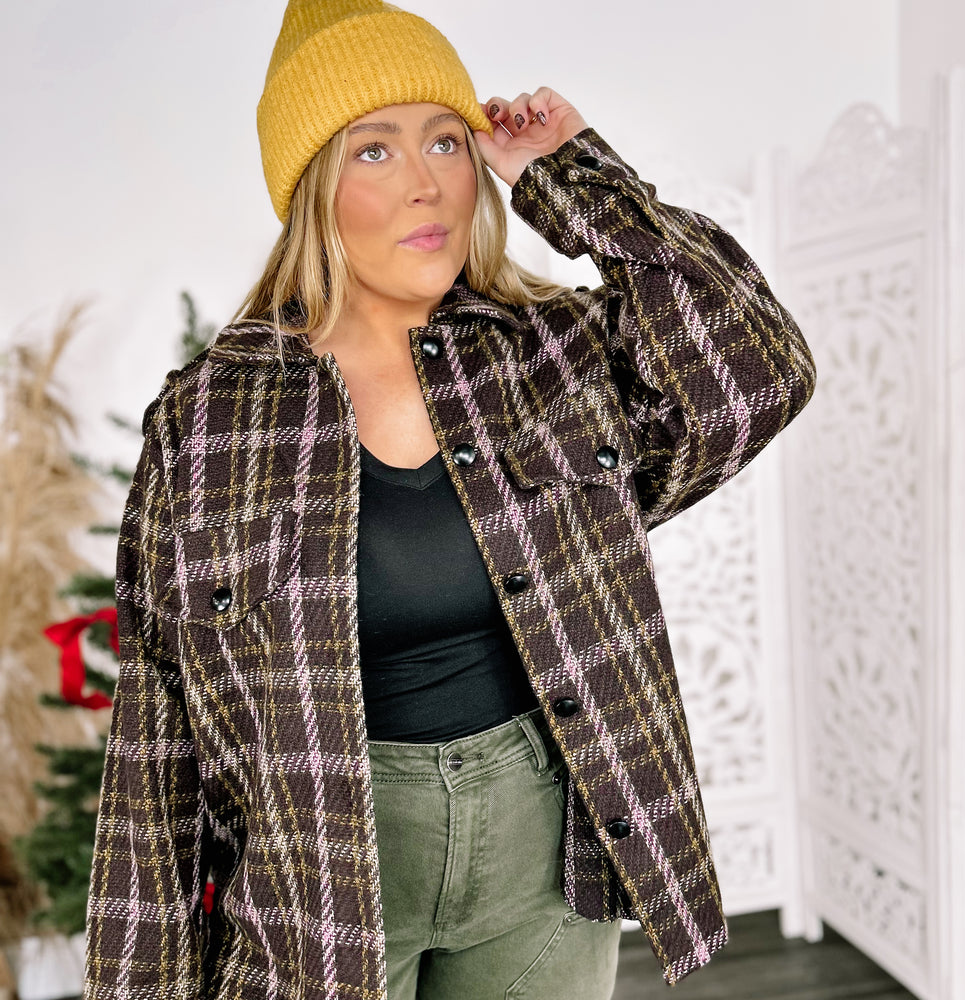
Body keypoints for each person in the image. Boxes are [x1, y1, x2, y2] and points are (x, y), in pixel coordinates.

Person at [83, 2, 816, 998]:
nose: (425, 183)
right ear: (312, 191)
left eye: (444, 140)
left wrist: (578, 179)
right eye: (373, 151)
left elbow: (760, 373)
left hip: (540, 856)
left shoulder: (553, 354)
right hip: (318, 890)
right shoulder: (211, 421)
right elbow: (156, 743)